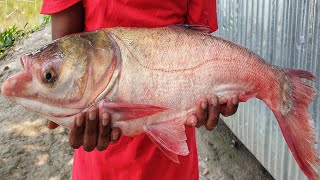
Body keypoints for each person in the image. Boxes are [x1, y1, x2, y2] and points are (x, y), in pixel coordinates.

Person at [41, 1, 239, 179]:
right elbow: (63, 62)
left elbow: (196, 46)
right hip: (101, 152)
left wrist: (212, 91)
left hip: (171, 158)